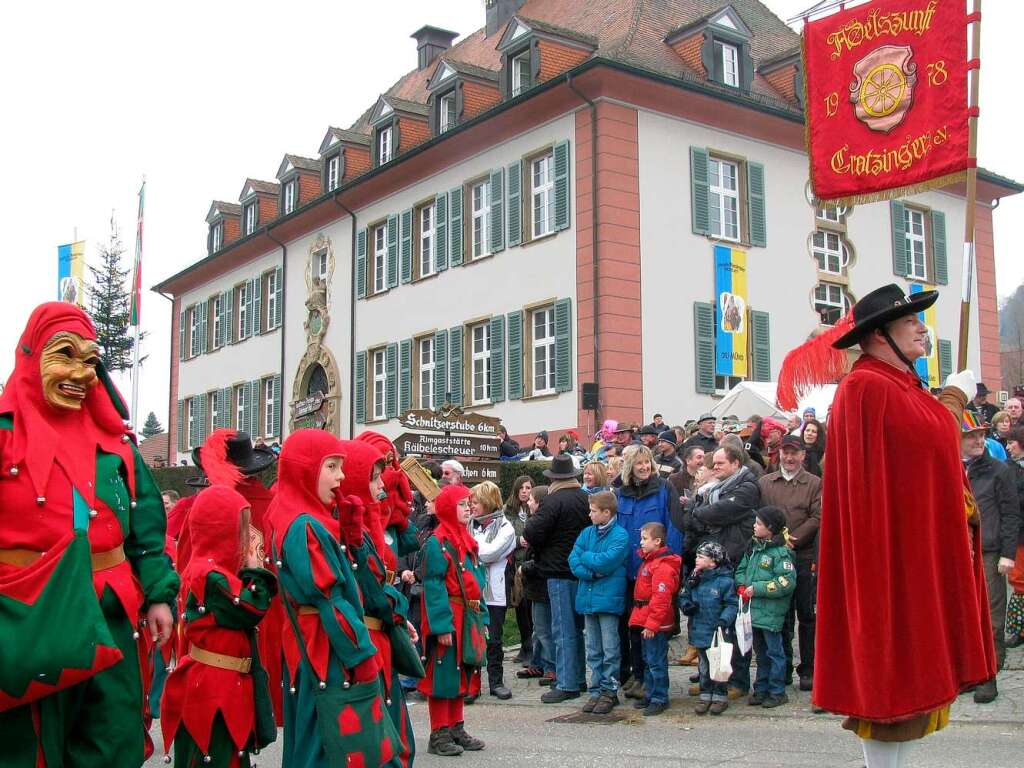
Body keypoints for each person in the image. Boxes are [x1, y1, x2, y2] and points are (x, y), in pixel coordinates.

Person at [808, 283, 995, 766]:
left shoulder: (898, 384)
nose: (921, 327)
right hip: (885, 554)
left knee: (913, 680)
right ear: (878, 334)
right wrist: (954, 394)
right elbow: (932, 436)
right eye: (910, 320)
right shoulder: (866, 385)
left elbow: (932, 438)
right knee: (888, 683)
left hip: (909, 549)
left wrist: (946, 399)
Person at [0, 303, 179, 767]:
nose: (80, 373)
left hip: (110, 616)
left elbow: (145, 528)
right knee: (31, 745)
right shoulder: (3, 438)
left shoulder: (116, 445)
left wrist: (159, 595)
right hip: (31, 619)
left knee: (113, 738)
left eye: (91, 361)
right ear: (32, 356)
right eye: (65, 354)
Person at [265, 430, 396, 768]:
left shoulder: (302, 516)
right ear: (305, 470)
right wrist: (363, 655)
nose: (341, 476)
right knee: (327, 745)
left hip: (318, 645)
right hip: (325, 648)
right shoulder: (305, 526)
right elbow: (329, 599)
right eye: (332, 467)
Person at [160, 485, 277, 766]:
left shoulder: (211, 570)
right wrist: (255, 570)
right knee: (216, 752)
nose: (244, 539)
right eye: (239, 530)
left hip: (223, 681)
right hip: (214, 686)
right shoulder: (211, 576)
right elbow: (252, 607)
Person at [680, 443, 760, 699]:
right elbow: (691, 514)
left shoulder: (747, 487)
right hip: (714, 564)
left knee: (734, 626)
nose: (715, 468)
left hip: (734, 561)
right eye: (713, 464)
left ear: (736, 463)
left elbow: (720, 512)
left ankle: (738, 680)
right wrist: (698, 512)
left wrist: (698, 512)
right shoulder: (713, 488)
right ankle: (714, 679)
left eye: (720, 464)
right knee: (714, 627)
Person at [418, 484, 488, 757]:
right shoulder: (437, 543)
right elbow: (434, 587)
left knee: (463, 672)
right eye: (461, 504)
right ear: (447, 508)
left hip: (467, 617)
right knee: (443, 675)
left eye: (468, 503)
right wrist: (441, 626)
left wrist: (481, 615)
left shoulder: (466, 540)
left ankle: (456, 727)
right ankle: (439, 733)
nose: (468, 508)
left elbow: (476, 582)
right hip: (450, 616)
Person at [614, 445, 684, 697]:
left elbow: (674, 528)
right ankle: (638, 675)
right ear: (629, 466)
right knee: (632, 627)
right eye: (638, 463)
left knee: (653, 630)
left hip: (657, 572)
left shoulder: (665, 488)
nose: (644, 467)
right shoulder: (621, 493)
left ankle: (654, 683)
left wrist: (668, 565)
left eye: (647, 462)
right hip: (630, 571)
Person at [962, 411, 1020, 703]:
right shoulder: (952, 468)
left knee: (991, 618)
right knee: (965, 615)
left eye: (982, 434)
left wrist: (1008, 554)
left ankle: (990, 675)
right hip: (959, 553)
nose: (979, 440)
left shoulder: (999, 470)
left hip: (989, 551)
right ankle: (971, 671)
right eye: (972, 435)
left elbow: (1011, 514)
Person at [523, 455, 591, 703]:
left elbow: (532, 531)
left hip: (557, 571)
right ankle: (580, 678)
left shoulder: (553, 501)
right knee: (578, 628)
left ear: (553, 479)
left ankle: (567, 682)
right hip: (581, 571)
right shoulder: (585, 499)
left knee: (562, 629)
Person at [759, 434, 822, 691]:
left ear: (803, 456)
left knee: (806, 616)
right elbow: (759, 515)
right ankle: (781, 668)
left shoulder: (814, 483)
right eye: (785, 452)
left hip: (803, 558)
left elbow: (818, 516)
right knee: (780, 617)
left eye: (794, 453)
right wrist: (775, 540)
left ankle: (808, 669)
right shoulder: (765, 483)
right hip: (773, 559)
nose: (789, 457)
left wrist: (793, 540)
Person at [568, 490, 629, 715]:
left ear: (606, 512)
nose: (589, 515)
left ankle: (609, 690)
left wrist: (587, 559)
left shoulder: (620, 535)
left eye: (593, 511)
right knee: (593, 648)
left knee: (610, 648)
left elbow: (607, 562)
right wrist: (591, 569)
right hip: (588, 596)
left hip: (608, 599)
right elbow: (573, 559)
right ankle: (595, 690)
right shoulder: (587, 533)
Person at [735, 506, 796, 709]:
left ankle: (777, 690)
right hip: (754, 611)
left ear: (770, 528)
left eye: (759, 523)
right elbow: (742, 568)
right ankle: (761, 688)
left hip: (771, 613)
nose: (754, 526)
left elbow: (786, 582)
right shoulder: (753, 548)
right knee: (760, 653)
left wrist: (758, 588)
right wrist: (741, 584)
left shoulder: (781, 553)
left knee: (774, 653)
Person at [627, 522, 680, 716]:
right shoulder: (648, 562)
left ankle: (660, 697)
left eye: (644, 539)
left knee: (656, 660)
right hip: (644, 616)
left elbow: (661, 599)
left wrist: (652, 624)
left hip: (655, 621)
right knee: (647, 659)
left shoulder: (662, 567)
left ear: (657, 541)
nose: (640, 542)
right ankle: (649, 693)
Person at [469, 481, 516, 701]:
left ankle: (496, 682)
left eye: (476, 502)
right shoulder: (470, 524)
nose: (472, 507)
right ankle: (472, 684)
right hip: (472, 590)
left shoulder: (506, 528)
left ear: (488, 503)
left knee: (494, 639)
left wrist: (471, 545)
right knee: (473, 636)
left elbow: (487, 554)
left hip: (495, 592)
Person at [680, 541, 738, 715]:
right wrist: (686, 605)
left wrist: (724, 620)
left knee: (719, 666)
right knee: (704, 666)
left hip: (718, 631)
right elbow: (684, 594)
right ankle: (705, 694)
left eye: (701, 557)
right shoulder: (694, 578)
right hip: (700, 629)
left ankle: (720, 696)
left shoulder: (725, 581)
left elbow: (732, 604)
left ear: (713, 561)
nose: (696, 559)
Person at [517, 485, 555, 685]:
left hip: (541, 584)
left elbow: (540, 559)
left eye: (531, 499)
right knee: (537, 629)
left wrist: (526, 567)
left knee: (543, 628)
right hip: (535, 586)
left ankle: (550, 667)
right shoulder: (536, 523)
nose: (528, 502)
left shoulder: (541, 527)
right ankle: (537, 662)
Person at [503, 475, 534, 664]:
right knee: (520, 608)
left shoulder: (535, 508)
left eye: (528, 487)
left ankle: (530, 647)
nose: (525, 491)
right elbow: (504, 536)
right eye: (521, 488)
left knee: (530, 608)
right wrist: (517, 541)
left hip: (530, 563)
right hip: (514, 564)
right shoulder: (508, 511)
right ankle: (525, 645)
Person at [1005, 427, 1024, 649]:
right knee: (1018, 581)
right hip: (1018, 533)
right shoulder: (1007, 469)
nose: (1008, 447)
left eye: (1012, 443)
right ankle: (1019, 628)